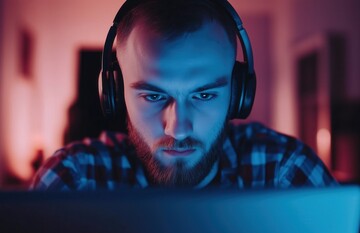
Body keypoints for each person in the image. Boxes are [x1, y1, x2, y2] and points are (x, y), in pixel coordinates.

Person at [30, 0, 337, 190]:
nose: (177, 128)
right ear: (114, 93)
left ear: (238, 94)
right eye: (153, 96)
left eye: (204, 96)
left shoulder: (285, 172)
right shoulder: (73, 180)